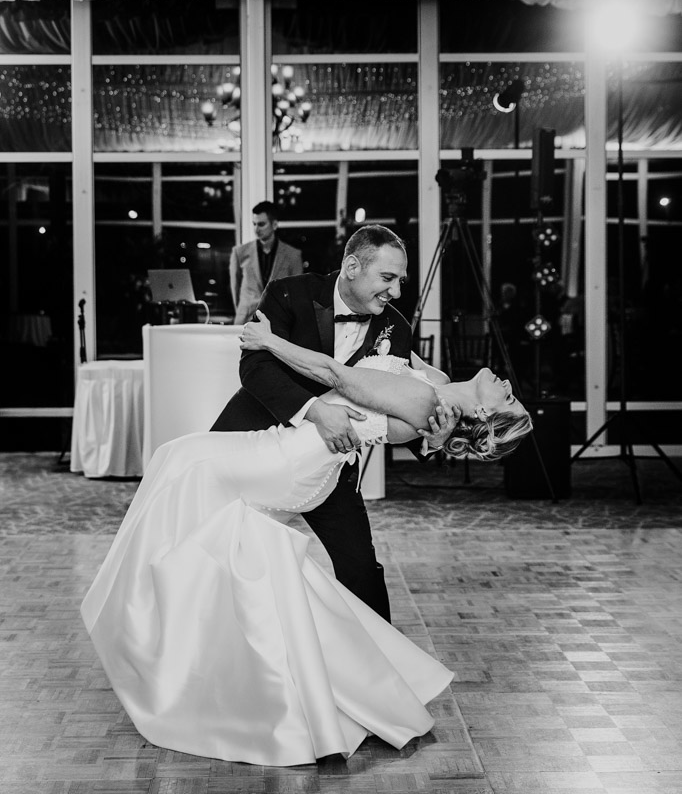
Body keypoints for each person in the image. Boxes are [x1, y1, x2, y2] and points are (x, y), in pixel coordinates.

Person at [81, 318, 531, 766]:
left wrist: (268, 339)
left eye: (506, 396)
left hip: (295, 458)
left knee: (180, 462)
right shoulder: (436, 387)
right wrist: (440, 438)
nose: (507, 381)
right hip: (309, 458)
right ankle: (208, 653)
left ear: (486, 416)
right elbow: (404, 372)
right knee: (198, 498)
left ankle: (149, 628)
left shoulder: (424, 398)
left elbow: (337, 376)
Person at [212, 224, 456, 622]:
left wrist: (432, 439)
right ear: (353, 266)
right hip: (255, 442)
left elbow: (394, 400)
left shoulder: (396, 328)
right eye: (388, 278)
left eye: (401, 281)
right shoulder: (289, 293)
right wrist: (314, 411)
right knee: (218, 547)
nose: (396, 292)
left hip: (330, 463)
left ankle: (379, 662)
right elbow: (255, 368)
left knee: (360, 567)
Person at [230, 200, 303, 325]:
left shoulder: (293, 255)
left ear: (274, 224)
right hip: (245, 321)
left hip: (279, 323)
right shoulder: (239, 253)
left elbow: (297, 294)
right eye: (254, 224)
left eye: (261, 224)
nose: (256, 229)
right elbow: (235, 288)